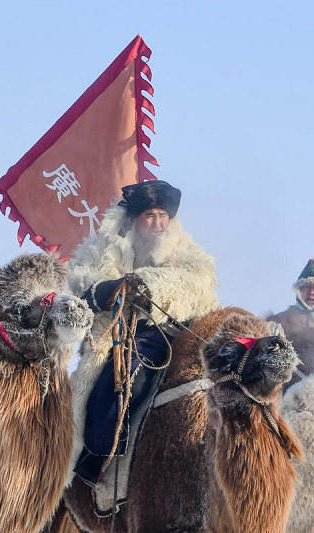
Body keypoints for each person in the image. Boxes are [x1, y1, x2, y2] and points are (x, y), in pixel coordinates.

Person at [68, 179, 219, 486]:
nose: (158, 223)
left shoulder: (185, 250)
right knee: (125, 376)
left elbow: (199, 283)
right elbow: (80, 285)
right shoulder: (104, 248)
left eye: (163, 215)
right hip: (122, 339)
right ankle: (99, 458)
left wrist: (152, 287)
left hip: (178, 334)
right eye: (150, 215)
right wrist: (110, 289)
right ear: (135, 218)